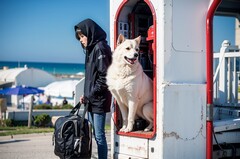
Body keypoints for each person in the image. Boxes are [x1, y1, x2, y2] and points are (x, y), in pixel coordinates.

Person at [74, 18, 112, 159]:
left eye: (82, 36)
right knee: (93, 135)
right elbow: (91, 77)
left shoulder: (100, 48)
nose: (81, 40)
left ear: (91, 34)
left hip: (99, 100)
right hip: (91, 99)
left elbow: (105, 77)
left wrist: (91, 94)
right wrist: (86, 95)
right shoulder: (91, 49)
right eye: (79, 37)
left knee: (99, 136)